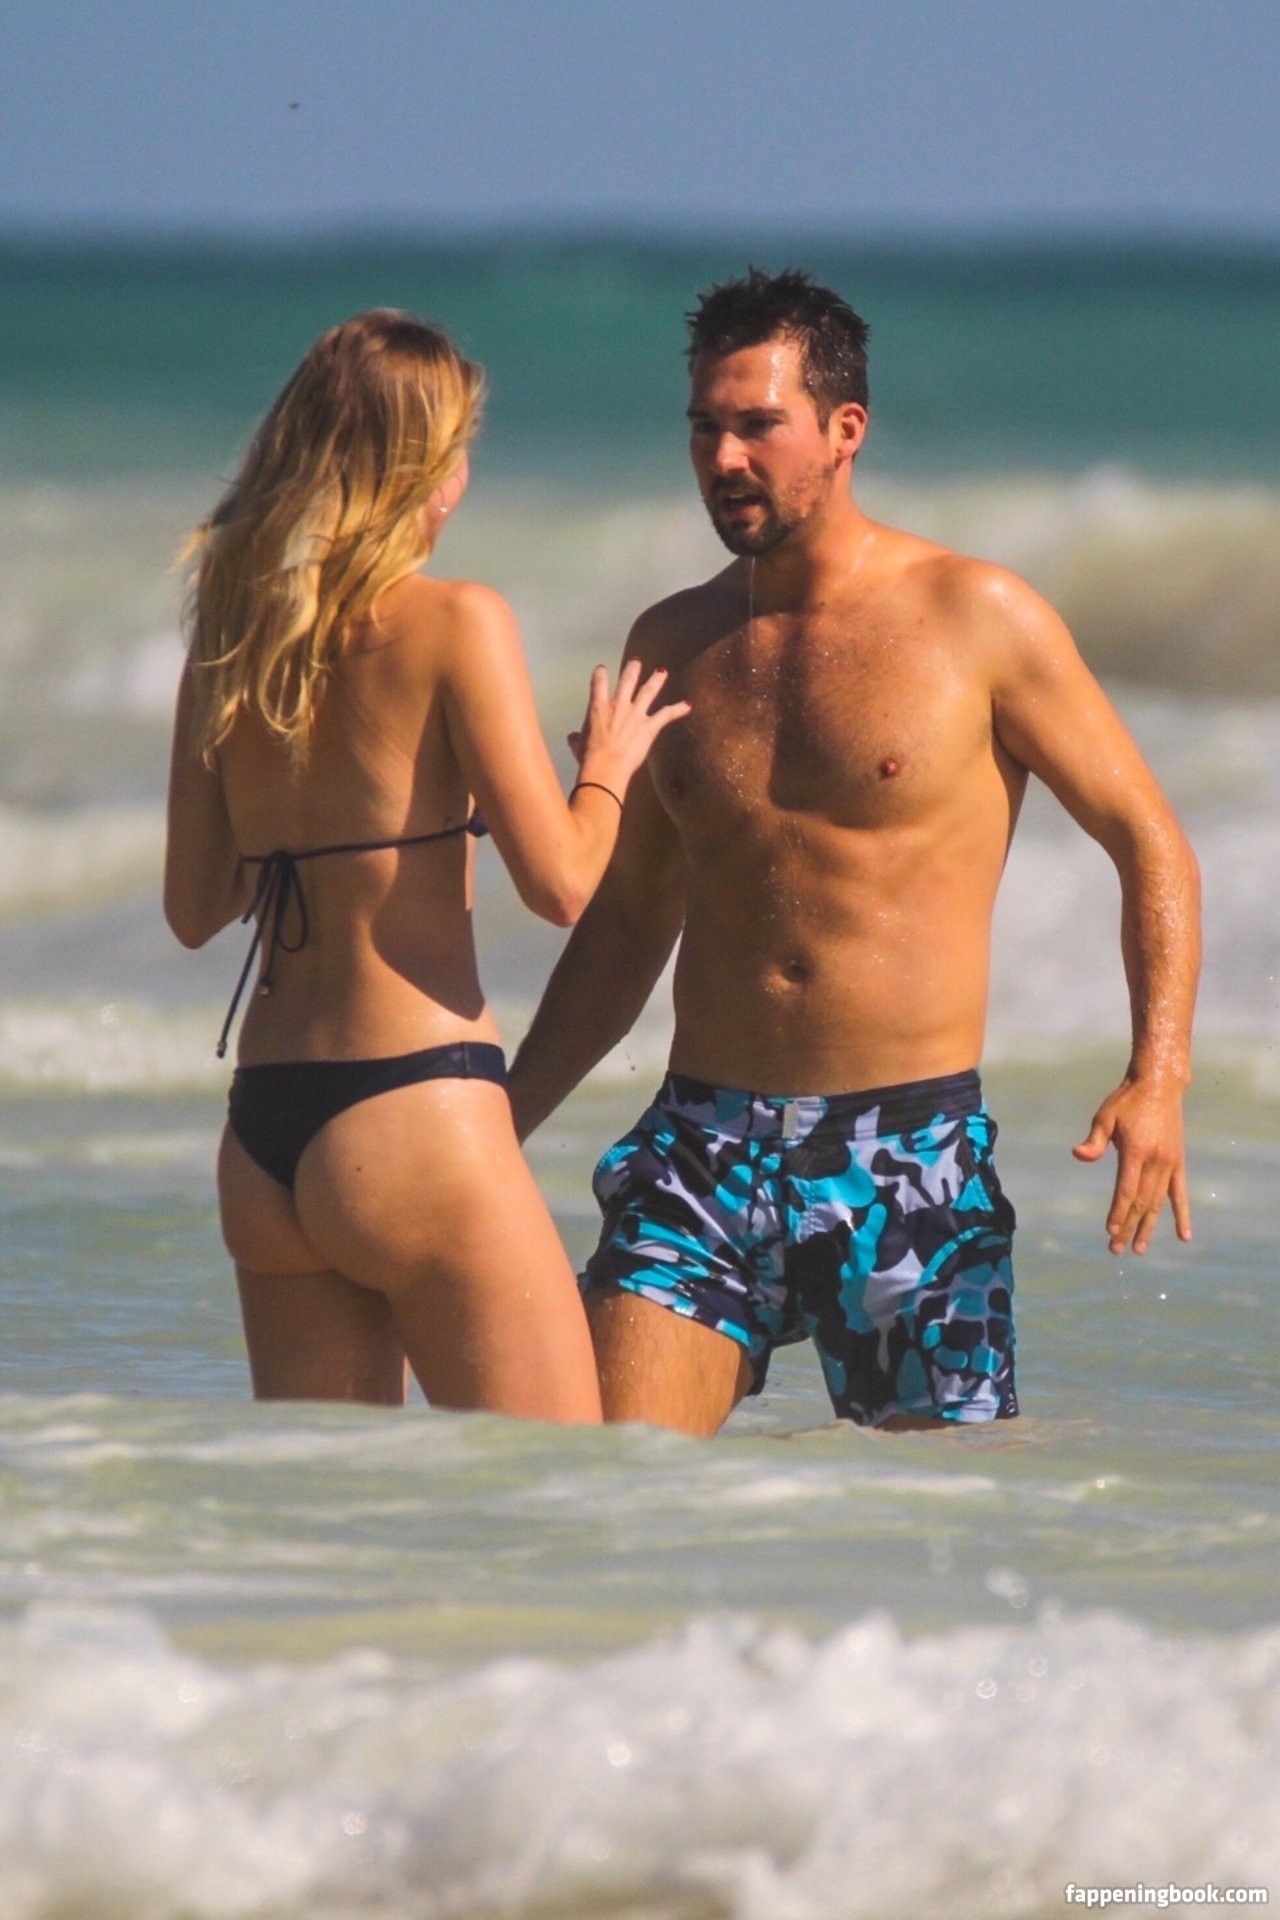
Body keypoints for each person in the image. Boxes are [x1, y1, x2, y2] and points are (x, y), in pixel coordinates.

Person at [508, 268, 1201, 1437]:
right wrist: (503, 1121)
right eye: (703, 427)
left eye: (756, 424)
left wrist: (1158, 1075)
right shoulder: (670, 642)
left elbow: (1149, 842)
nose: (723, 457)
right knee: (614, 1489)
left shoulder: (975, 618)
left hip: (906, 1159)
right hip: (702, 1153)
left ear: (843, 430)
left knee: (934, 1530)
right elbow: (630, 917)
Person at [164, 309, 687, 1418]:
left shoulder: (232, 637)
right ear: (424, 470)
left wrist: (325, 826)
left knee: (344, 1510)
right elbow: (562, 886)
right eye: (458, 454)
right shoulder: (457, 620)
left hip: (264, 1137)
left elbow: (193, 908)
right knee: (557, 1488)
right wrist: (608, 770)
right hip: (413, 1114)